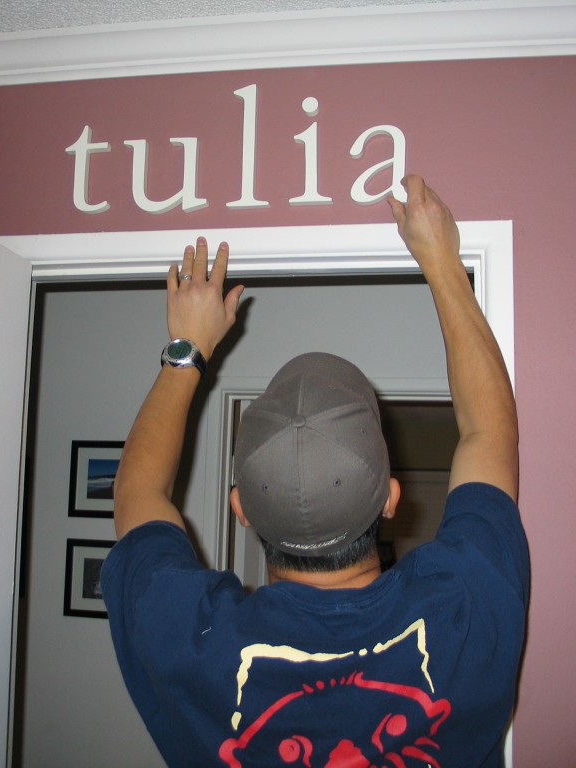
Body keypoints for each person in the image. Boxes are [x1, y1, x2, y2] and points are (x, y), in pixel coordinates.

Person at [101, 175, 530, 768]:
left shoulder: (189, 644)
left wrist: (186, 349)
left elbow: (135, 492)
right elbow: (490, 433)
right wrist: (441, 261)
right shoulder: (461, 607)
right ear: (391, 498)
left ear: (240, 510)